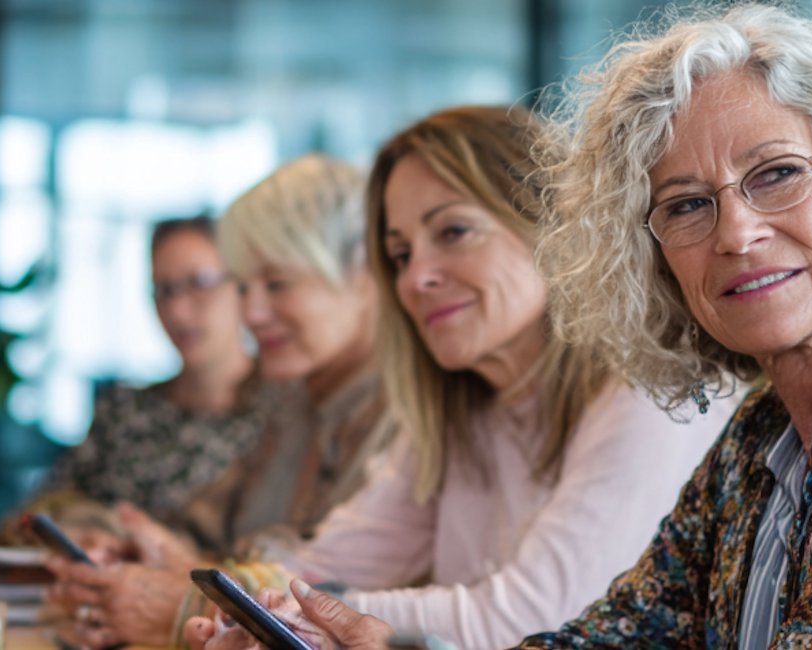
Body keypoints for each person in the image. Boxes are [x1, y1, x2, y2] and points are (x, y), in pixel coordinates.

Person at [184, 6, 812, 649]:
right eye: (687, 206)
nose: (736, 232)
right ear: (654, 257)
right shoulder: (764, 426)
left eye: (777, 175)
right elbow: (613, 637)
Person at [173, 106, 728, 650]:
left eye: (454, 232)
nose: (416, 277)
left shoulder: (653, 395)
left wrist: (292, 615)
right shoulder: (461, 408)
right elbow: (329, 563)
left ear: (550, 225)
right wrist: (256, 611)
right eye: (399, 254)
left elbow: (535, 620)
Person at [46, 154, 397, 648]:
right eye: (244, 285)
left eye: (276, 284)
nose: (251, 312)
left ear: (363, 274)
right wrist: (152, 549)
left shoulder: (402, 418)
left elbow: (338, 584)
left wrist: (179, 594)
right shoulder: (296, 399)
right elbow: (214, 526)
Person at [30, 216, 268, 530]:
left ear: (243, 286)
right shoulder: (123, 411)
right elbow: (46, 509)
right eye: (164, 291)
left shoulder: (282, 418)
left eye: (200, 283)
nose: (178, 311)